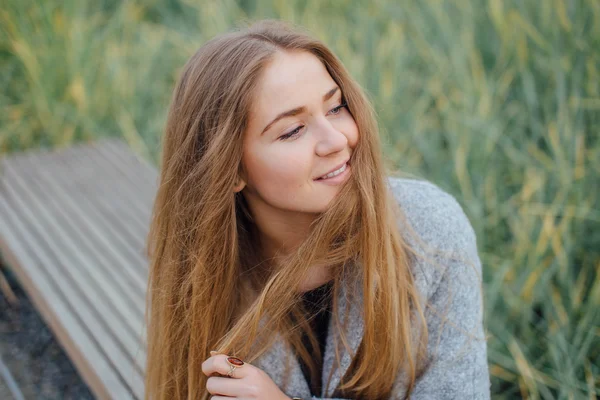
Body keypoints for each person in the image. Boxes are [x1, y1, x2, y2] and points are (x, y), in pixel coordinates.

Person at [144, 19, 490, 400]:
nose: (336, 140)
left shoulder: (429, 231)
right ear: (231, 169)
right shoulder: (206, 269)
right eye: (292, 130)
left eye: (337, 107)